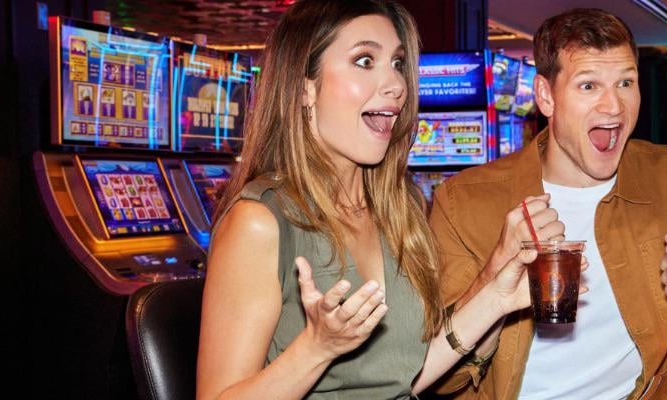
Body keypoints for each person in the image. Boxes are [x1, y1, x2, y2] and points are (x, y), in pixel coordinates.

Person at [195, 1, 567, 399]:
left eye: (397, 63)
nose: (396, 84)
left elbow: (402, 379)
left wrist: (496, 297)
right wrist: (315, 350)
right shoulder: (259, 221)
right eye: (365, 60)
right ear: (305, 88)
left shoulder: (398, 209)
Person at [429, 8, 667, 400]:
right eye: (589, 85)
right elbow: (436, 379)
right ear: (546, 96)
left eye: (626, 82)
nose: (614, 106)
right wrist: (493, 277)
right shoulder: (464, 201)